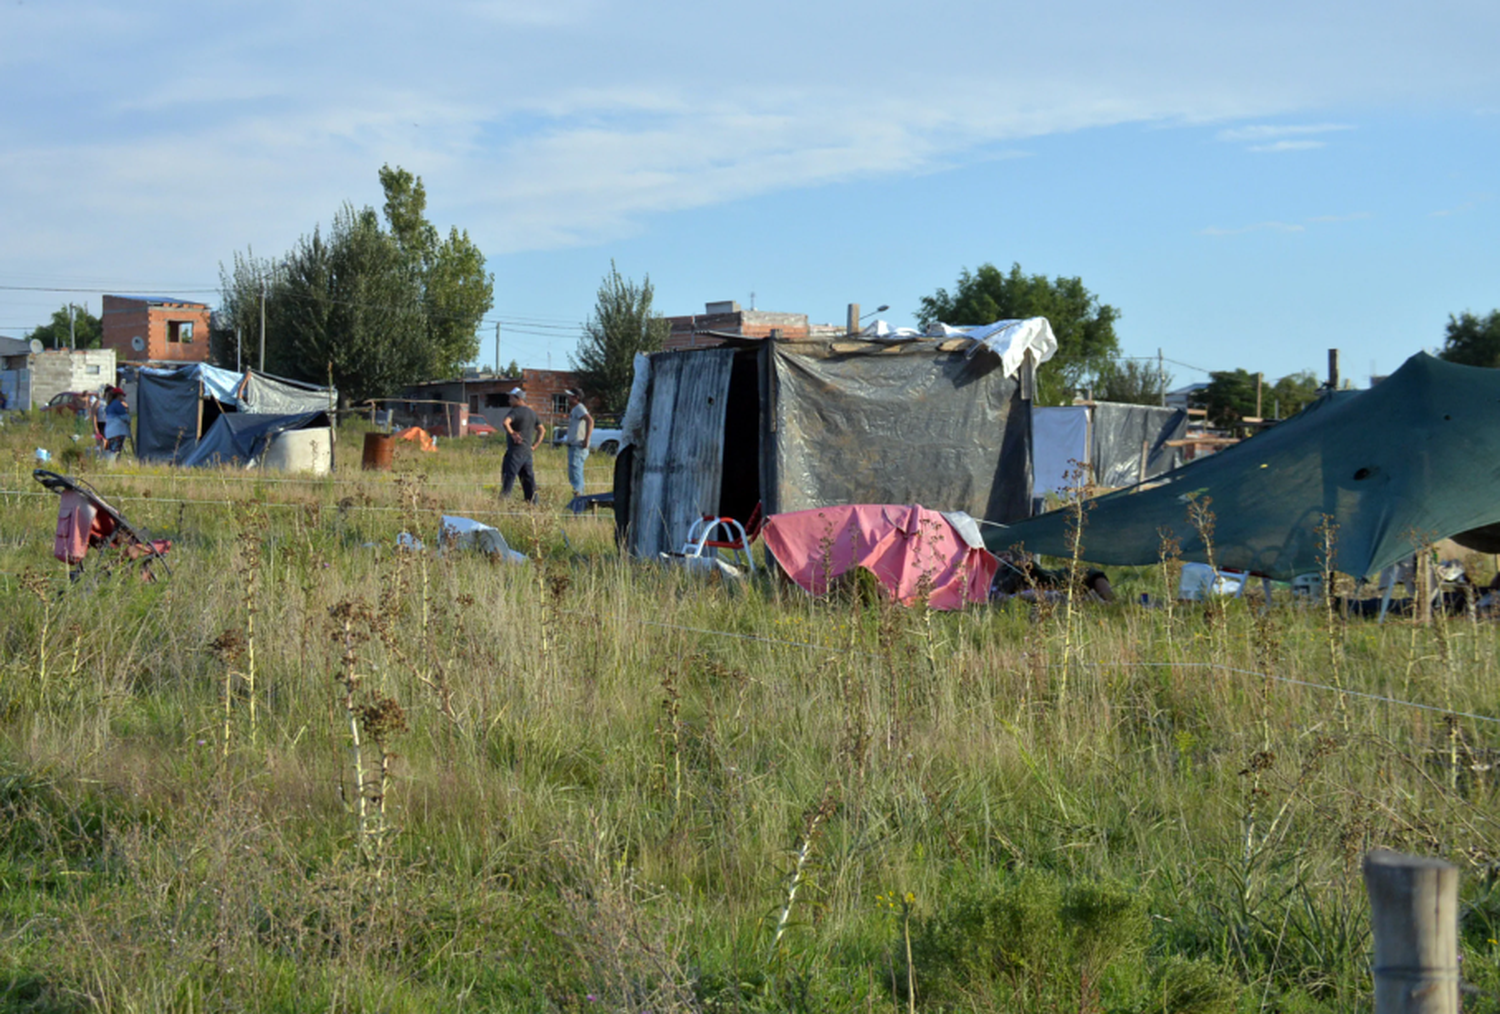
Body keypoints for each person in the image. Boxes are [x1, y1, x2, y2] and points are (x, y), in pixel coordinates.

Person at [500, 387, 545, 502]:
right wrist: (535, 445)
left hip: (515, 452)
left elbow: (505, 422)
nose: (509, 400)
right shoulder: (532, 413)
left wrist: (512, 433)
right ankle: (533, 503)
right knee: (529, 481)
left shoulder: (515, 411)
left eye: (511, 398)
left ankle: (503, 503)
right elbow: (542, 430)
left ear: (518, 399)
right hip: (527, 453)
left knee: (508, 479)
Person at [563, 388, 594, 498]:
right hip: (574, 446)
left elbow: (590, 420)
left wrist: (586, 439)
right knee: (574, 473)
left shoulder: (579, 408)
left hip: (578, 446)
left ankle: (579, 498)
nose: (568, 398)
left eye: (570, 396)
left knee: (576, 473)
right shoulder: (575, 409)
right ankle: (578, 495)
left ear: (577, 397)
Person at [103, 387, 131, 455]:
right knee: (116, 452)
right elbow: (126, 418)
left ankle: (111, 464)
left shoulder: (109, 405)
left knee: (112, 451)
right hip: (117, 431)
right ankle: (114, 465)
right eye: (122, 396)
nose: (123, 398)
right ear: (118, 395)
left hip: (109, 432)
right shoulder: (118, 404)